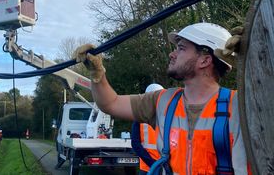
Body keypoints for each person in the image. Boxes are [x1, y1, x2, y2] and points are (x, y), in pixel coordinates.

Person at [74, 22, 249, 174]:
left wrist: (258, 49)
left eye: (181, 48)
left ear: (204, 60)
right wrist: (97, 75)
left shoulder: (242, 105)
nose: (172, 54)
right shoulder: (163, 101)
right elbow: (110, 103)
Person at [131, 83, 164, 175]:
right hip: (151, 167)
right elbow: (135, 144)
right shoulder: (139, 118)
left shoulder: (167, 116)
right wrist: (153, 164)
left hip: (157, 166)